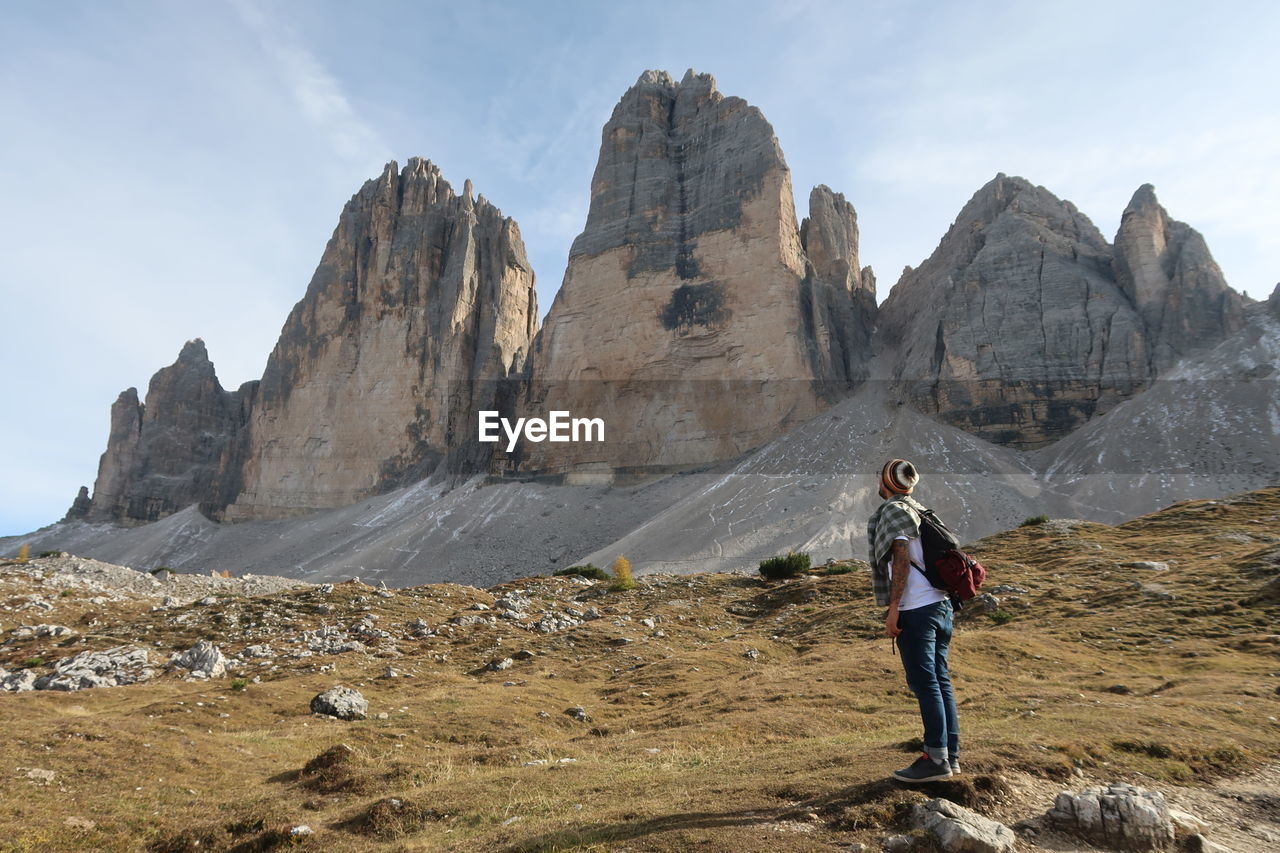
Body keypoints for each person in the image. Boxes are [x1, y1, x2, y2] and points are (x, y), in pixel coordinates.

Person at [866, 458, 959, 783]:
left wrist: (894, 607)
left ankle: (935, 759)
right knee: (940, 680)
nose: (877, 481)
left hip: (917, 608)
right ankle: (950, 755)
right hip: (941, 605)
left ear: (888, 482)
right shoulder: (919, 508)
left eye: (880, 476)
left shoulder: (894, 511)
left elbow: (901, 558)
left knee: (926, 683)